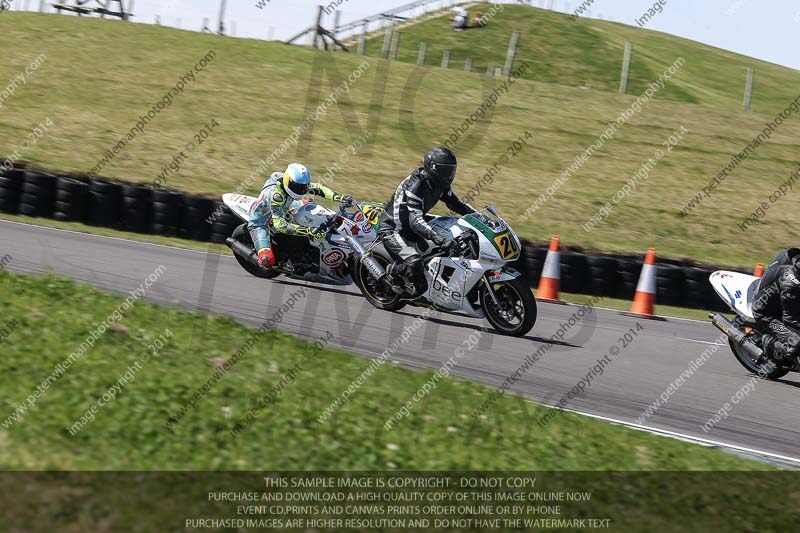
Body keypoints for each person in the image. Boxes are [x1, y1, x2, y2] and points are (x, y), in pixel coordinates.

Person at [378, 147, 476, 296]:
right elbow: (415, 220)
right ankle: (393, 270)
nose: (449, 175)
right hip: (392, 229)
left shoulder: (439, 184)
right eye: (446, 171)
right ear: (434, 169)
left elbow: (455, 204)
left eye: (451, 171)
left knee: (455, 233)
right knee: (415, 262)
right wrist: (439, 239)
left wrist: (477, 216)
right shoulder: (415, 186)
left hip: (412, 226)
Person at [248, 163, 352, 269]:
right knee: (267, 260)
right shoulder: (276, 196)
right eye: (298, 187)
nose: (302, 190)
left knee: (313, 210)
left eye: (304, 186)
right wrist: (309, 231)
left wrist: (340, 197)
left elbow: (319, 189)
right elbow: (281, 225)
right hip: (261, 222)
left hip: (285, 206)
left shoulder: (297, 185)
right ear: (288, 182)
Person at [751, 248, 800, 365]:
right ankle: (768, 343)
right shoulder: (791, 284)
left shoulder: (796, 259)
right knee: (796, 343)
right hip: (767, 313)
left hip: (781, 303)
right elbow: (791, 320)